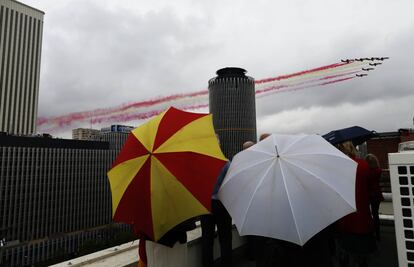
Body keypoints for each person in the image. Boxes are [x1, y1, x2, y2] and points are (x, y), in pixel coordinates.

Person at [335, 141, 376, 267]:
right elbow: (371, 189)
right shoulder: (363, 165)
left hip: (345, 216)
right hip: (363, 215)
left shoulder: (337, 168)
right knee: (362, 254)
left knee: (345, 250)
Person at [201, 160, 233, 267]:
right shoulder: (226, 164)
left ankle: (207, 264)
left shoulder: (202, 163)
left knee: (206, 237)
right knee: (225, 238)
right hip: (222, 203)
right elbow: (231, 183)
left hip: (206, 203)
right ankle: (226, 263)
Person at [365, 153, 384, 241]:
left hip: (368, 194)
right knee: (375, 214)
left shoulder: (367, 172)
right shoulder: (378, 170)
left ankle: (370, 232)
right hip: (377, 194)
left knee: (368, 214)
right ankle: (378, 234)